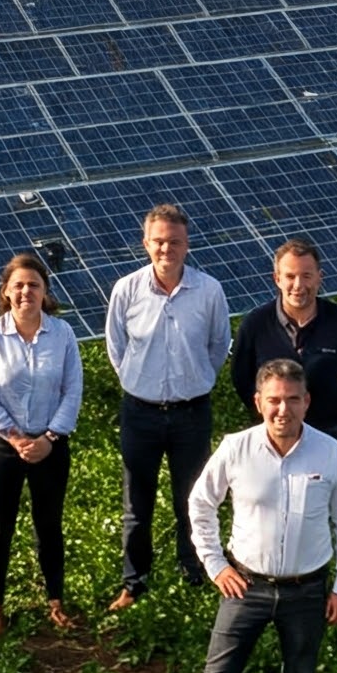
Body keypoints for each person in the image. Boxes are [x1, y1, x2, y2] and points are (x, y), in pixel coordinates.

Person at [184, 358, 337, 673]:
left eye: (293, 400)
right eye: (275, 400)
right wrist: (215, 565)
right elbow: (200, 503)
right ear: (258, 402)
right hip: (246, 586)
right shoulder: (236, 448)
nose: (284, 410)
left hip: (308, 589)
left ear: (307, 402)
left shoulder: (330, 453)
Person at [104, 202, 231, 610]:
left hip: (192, 412)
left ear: (186, 244)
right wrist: (138, 381)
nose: (166, 249)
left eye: (174, 242)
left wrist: (195, 382)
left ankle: (193, 571)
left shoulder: (208, 290)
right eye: (158, 242)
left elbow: (217, 346)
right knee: (136, 506)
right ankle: (134, 581)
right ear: (145, 244)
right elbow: (116, 347)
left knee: (191, 499)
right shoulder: (127, 289)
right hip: (139, 412)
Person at [0, 250, 84, 635]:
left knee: (49, 524)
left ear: (45, 291)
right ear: (6, 291)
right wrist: (17, 438)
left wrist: (50, 437)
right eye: (18, 285)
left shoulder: (62, 334)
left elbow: (73, 390)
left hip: (51, 445)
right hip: (3, 446)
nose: (25, 292)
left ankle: (55, 600)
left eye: (33, 285)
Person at [227, 236, 337, 442]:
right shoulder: (255, 323)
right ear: (277, 279)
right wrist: (267, 411)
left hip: (325, 432)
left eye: (306, 276)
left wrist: (331, 403)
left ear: (319, 277)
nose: (298, 285)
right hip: (270, 432)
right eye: (290, 276)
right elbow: (241, 378)